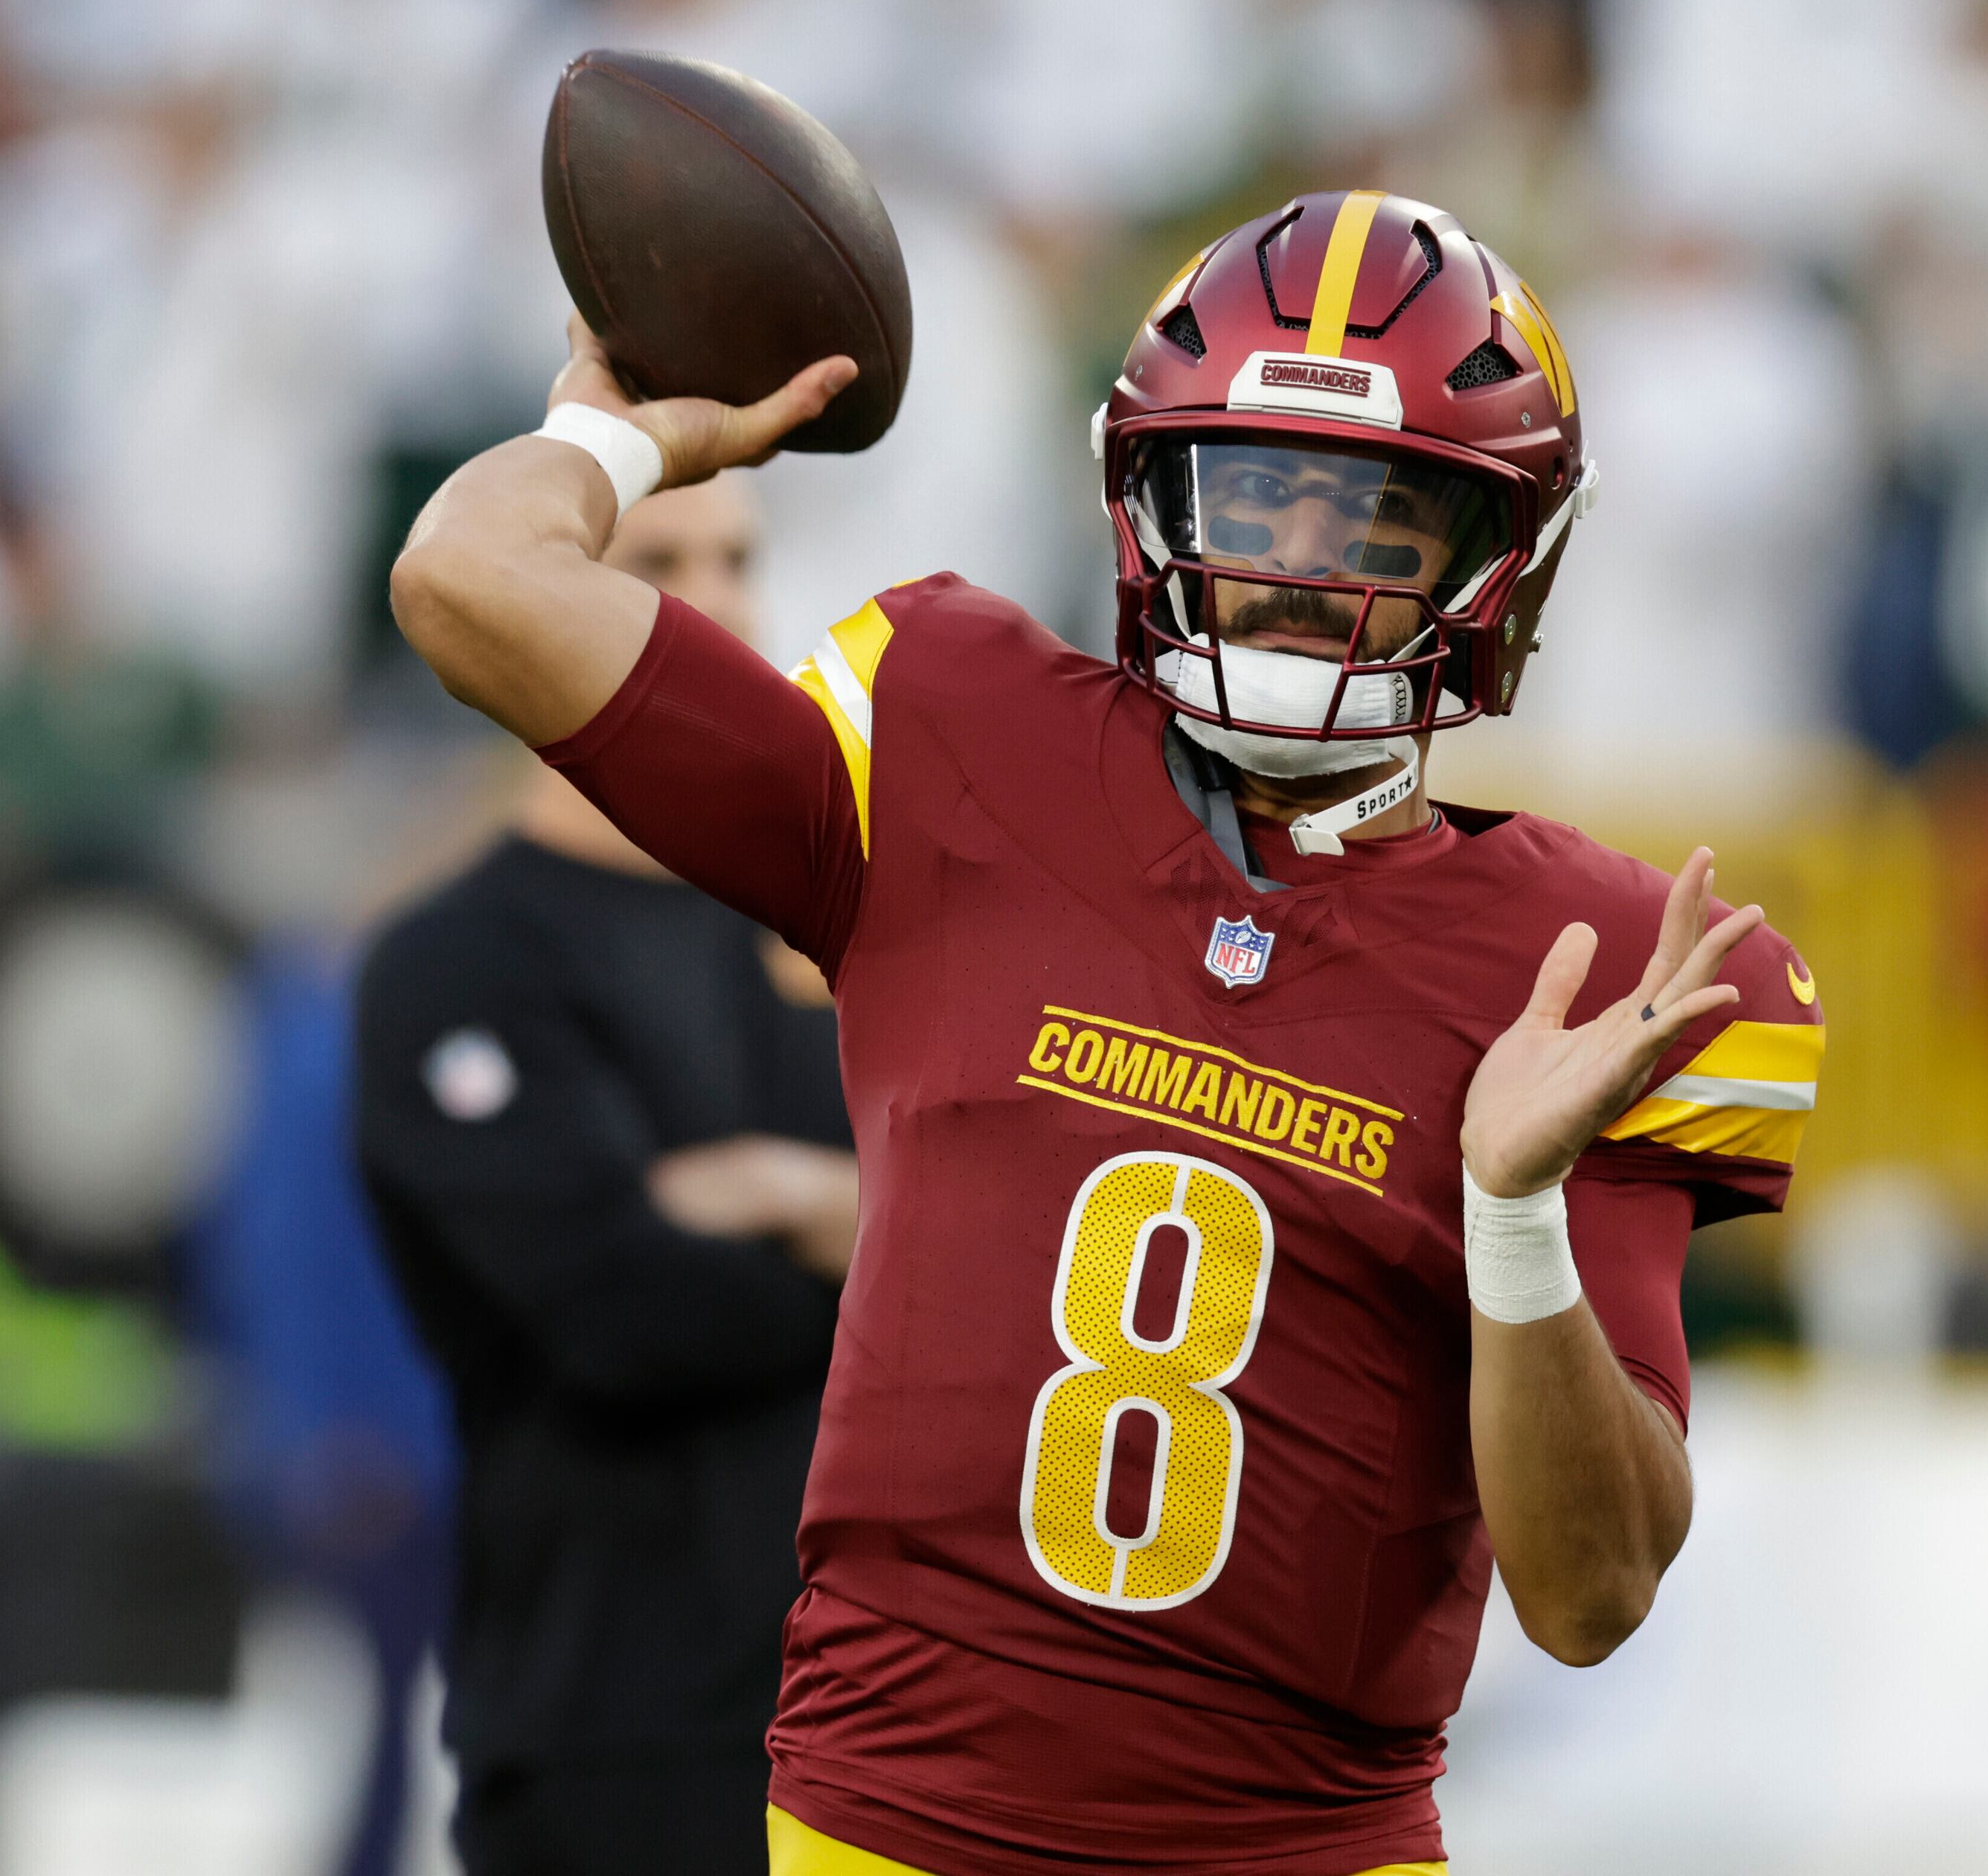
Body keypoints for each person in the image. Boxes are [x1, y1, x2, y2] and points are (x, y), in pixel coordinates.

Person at [390, 191, 1826, 1876]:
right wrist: (611, 441)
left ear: (1496, 557)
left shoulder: (1580, 964)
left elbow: (1589, 1595)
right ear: (1147, 492)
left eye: (1377, 522)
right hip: (890, 1836)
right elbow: (467, 576)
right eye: (1257, 494)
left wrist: (1512, 1212)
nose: (1297, 567)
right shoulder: (948, 737)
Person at [356, 475, 859, 1876]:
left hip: (877, 1741)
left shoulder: (837, 921)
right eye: (658, 558)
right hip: (605, 1744)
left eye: (739, 556)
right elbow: (626, 1309)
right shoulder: (455, 962)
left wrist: (804, 1202)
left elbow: (1015, 1253)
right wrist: (889, 1239)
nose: (719, 600)